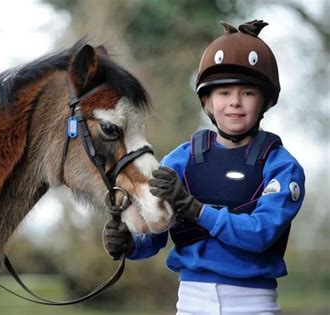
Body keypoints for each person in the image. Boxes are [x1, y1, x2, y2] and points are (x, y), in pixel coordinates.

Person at [103, 20, 305, 314]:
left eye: (247, 93)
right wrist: (130, 244)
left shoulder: (282, 167)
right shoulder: (179, 161)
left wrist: (196, 210)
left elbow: (260, 234)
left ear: (266, 101)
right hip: (190, 303)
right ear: (207, 102)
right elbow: (156, 233)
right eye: (223, 93)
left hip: (253, 304)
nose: (235, 102)